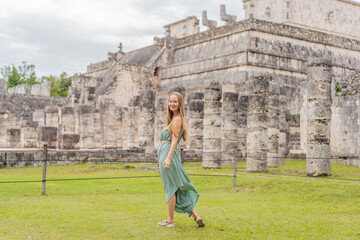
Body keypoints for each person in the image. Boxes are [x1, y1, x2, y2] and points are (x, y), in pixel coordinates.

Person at [157, 92, 205, 228]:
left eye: (175, 102)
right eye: (170, 101)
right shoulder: (173, 119)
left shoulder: (177, 119)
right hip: (167, 154)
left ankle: (170, 220)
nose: (172, 104)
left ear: (180, 104)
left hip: (168, 155)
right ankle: (196, 216)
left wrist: (167, 158)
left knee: (171, 188)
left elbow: (173, 141)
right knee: (178, 188)